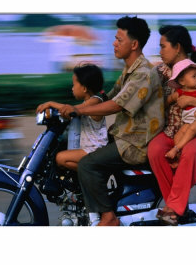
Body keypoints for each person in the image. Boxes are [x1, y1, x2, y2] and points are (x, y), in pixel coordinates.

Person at [48, 16, 165, 226]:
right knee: (66, 156)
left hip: (135, 144)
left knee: (87, 164)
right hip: (122, 138)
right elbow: (106, 96)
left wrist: (78, 110)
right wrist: (67, 107)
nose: (114, 43)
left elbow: (115, 105)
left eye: (119, 40)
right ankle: (89, 205)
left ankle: (108, 217)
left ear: (134, 44)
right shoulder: (130, 71)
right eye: (115, 39)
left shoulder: (143, 74)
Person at [148, 25, 196, 226]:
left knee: (190, 151)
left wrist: (194, 102)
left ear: (178, 47)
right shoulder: (161, 71)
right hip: (173, 132)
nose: (160, 51)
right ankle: (176, 208)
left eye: (163, 46)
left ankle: (172, 208)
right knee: (155, 150)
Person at [36, 63, 108, 171]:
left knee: (61, 158)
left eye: (74, 85)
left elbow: (72, 110)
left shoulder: (95, 101)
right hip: (88, 149)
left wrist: (51, 103)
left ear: (84, 88)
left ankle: (93, 173)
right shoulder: (88, 101)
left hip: (95, 150)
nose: (72, 88)